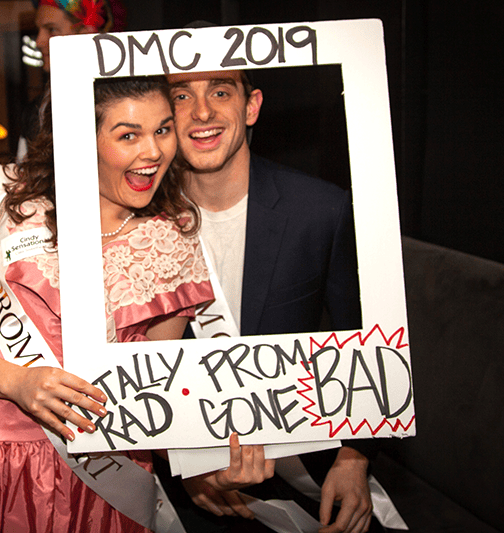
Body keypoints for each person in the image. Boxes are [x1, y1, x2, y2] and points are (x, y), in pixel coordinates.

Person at [0, 76, 214, 532]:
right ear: (78, 137)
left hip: (102, 481)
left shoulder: (171, 238)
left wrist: (215, 458)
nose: (154, 152)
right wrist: (15, 381)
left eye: (163, 129)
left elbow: (155, 388)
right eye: (128, 135)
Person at [157, 66, 379, 533]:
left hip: (305, 465)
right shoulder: (137, 219)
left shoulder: (320, 210)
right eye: (182, 96)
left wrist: (353, 457)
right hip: (186, 477)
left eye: (221, 92)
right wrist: (186, 464)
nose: (202, 112)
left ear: (251, 106)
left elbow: (366, 340)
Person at [18, 0, 126, 158]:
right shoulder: (36, 111)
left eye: (51, 30)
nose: (39, 41)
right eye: (39, 30)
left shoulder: (123, 103)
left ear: (85, 34)